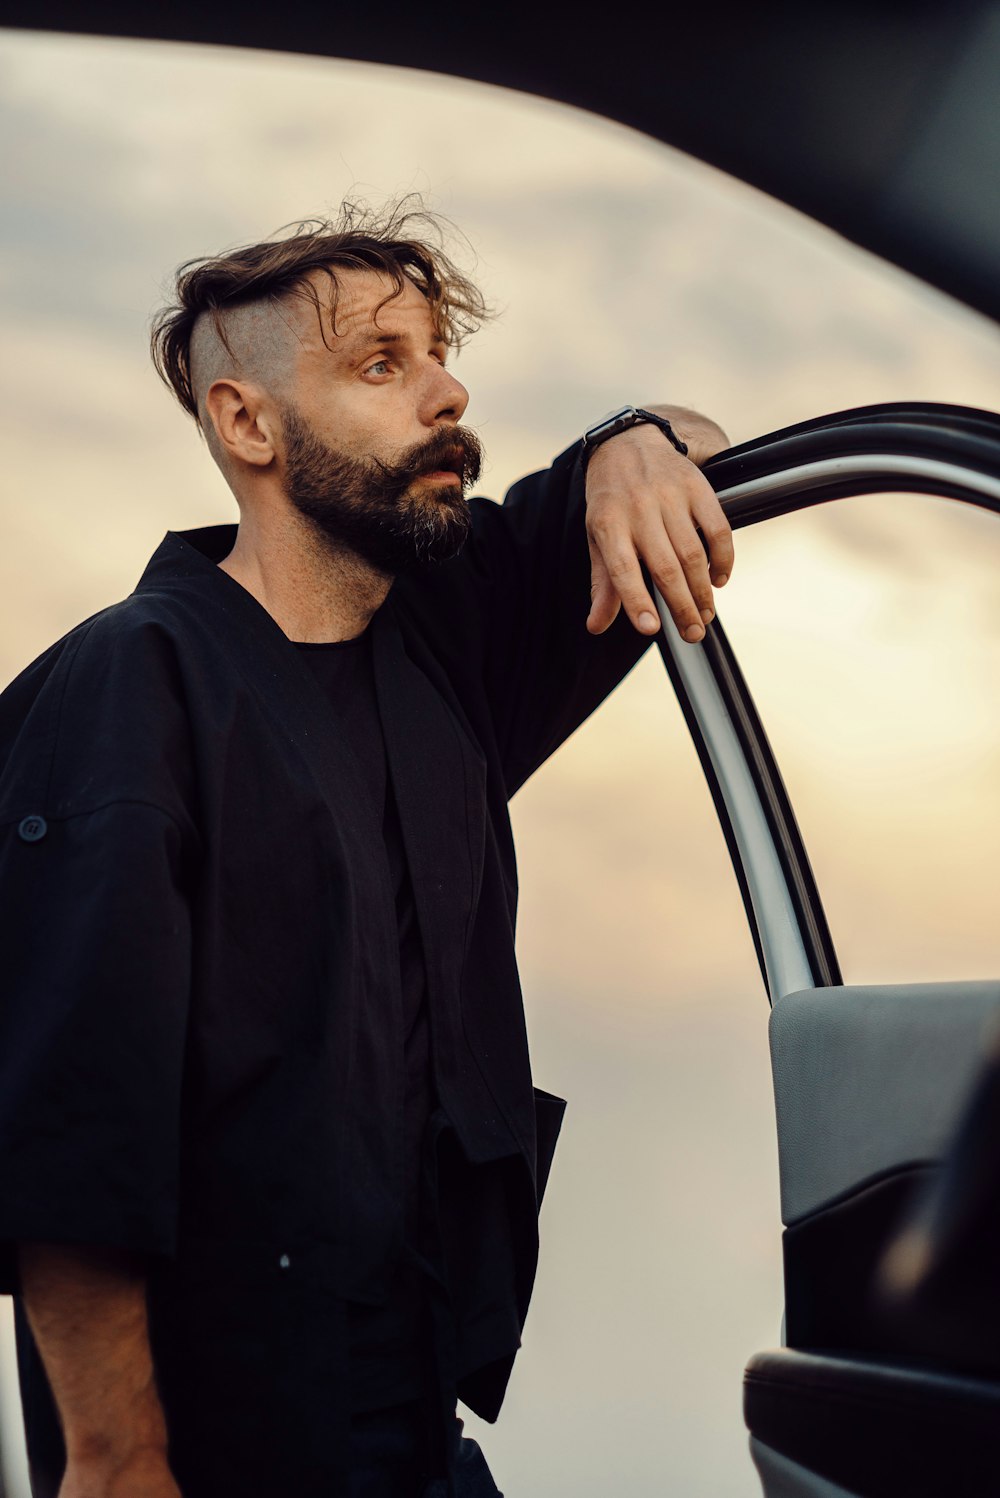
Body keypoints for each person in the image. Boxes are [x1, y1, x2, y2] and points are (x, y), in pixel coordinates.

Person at [0, 199, 733, 1498]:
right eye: (380, 364)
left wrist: (631, 439)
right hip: (206, 1454)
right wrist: (118, 1458)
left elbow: (710, 456)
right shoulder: (135, 684)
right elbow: (69, 1113)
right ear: (248, 423)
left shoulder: (450, 635)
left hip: (415, 1436)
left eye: (440, 351)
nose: (445, 391)